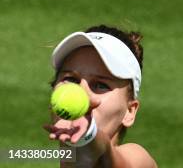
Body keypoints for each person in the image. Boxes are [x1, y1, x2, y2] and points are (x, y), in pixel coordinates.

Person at [43, 25, 157, 167]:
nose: (81, 92)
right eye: (71, 80)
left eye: (101, 85)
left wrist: (89, 135)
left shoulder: (138, 160)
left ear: (130, 111)